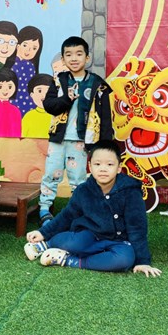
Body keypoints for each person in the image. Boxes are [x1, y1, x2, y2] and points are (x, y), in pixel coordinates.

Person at [25, 139, 161, 277]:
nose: (103, 169)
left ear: (119, 168)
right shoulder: (84, 190)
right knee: (75, 243)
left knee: (125, 259)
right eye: (97, 164)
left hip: (118, 241)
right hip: (90, 235)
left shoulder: (131, 191)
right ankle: (47, 244)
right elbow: (67, 216)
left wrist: (142, 261)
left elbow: (137, 227)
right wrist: (43, 233)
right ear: (90, 166)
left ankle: (69, 260)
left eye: (110, 164)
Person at [38, 36, 113, 225]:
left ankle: (77, 211)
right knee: (51, 173)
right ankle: (45, 209)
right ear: (63, 59)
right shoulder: (58, 81)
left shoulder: (97, 84)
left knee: (78, 178)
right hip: (58, 139)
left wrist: (104, 144)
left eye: (79, 54)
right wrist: (67, 99)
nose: (74, 58)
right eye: (69, 54)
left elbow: (105, 116)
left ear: (87, 58)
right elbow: (49, 106)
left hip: (82, 140)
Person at [12, 26, 43, 117]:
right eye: (25, 45)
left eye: (34, 48)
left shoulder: (31, 67)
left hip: (29, 106)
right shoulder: (10, 64)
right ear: (18, 45)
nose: (28, 50)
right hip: (12, 104)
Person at [21, 73, 53, 138]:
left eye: (48, 91)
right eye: (39, 91)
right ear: (32, 95)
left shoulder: (58, 116)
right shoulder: (28, 117)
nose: (44, 95)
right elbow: (22, 137)